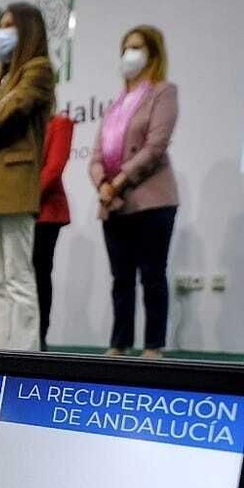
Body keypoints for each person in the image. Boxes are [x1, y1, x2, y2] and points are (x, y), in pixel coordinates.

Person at [0, 2, 55, 351]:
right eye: (0, 26)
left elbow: (8, 118)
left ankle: (26, 353)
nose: (2, 33)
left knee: (18, 276)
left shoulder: (39, 69)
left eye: (10, 26)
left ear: (28, 30)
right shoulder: (1, 81)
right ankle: (1, 350)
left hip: (17, 184)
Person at [88, 25, 179, 359]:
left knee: (152, 274)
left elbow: (155, 147)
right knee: (120, 279)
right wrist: (102, 184)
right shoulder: (115, 106)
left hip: (152, 201)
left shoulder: (163, 93)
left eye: (137, 47)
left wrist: (118, 181)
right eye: (125, 48)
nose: (129, 55)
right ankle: (119, 343)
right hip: (114, 204)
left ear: (153, 54)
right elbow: (96, 155)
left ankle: (153, 345)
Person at [34, 110, 73, 351]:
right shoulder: (23, 128)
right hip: (18, 212)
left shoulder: (60, 123)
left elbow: (54, 167)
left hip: (45, 211)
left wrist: (25, 200)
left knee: (39, 274)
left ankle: (39, 337)